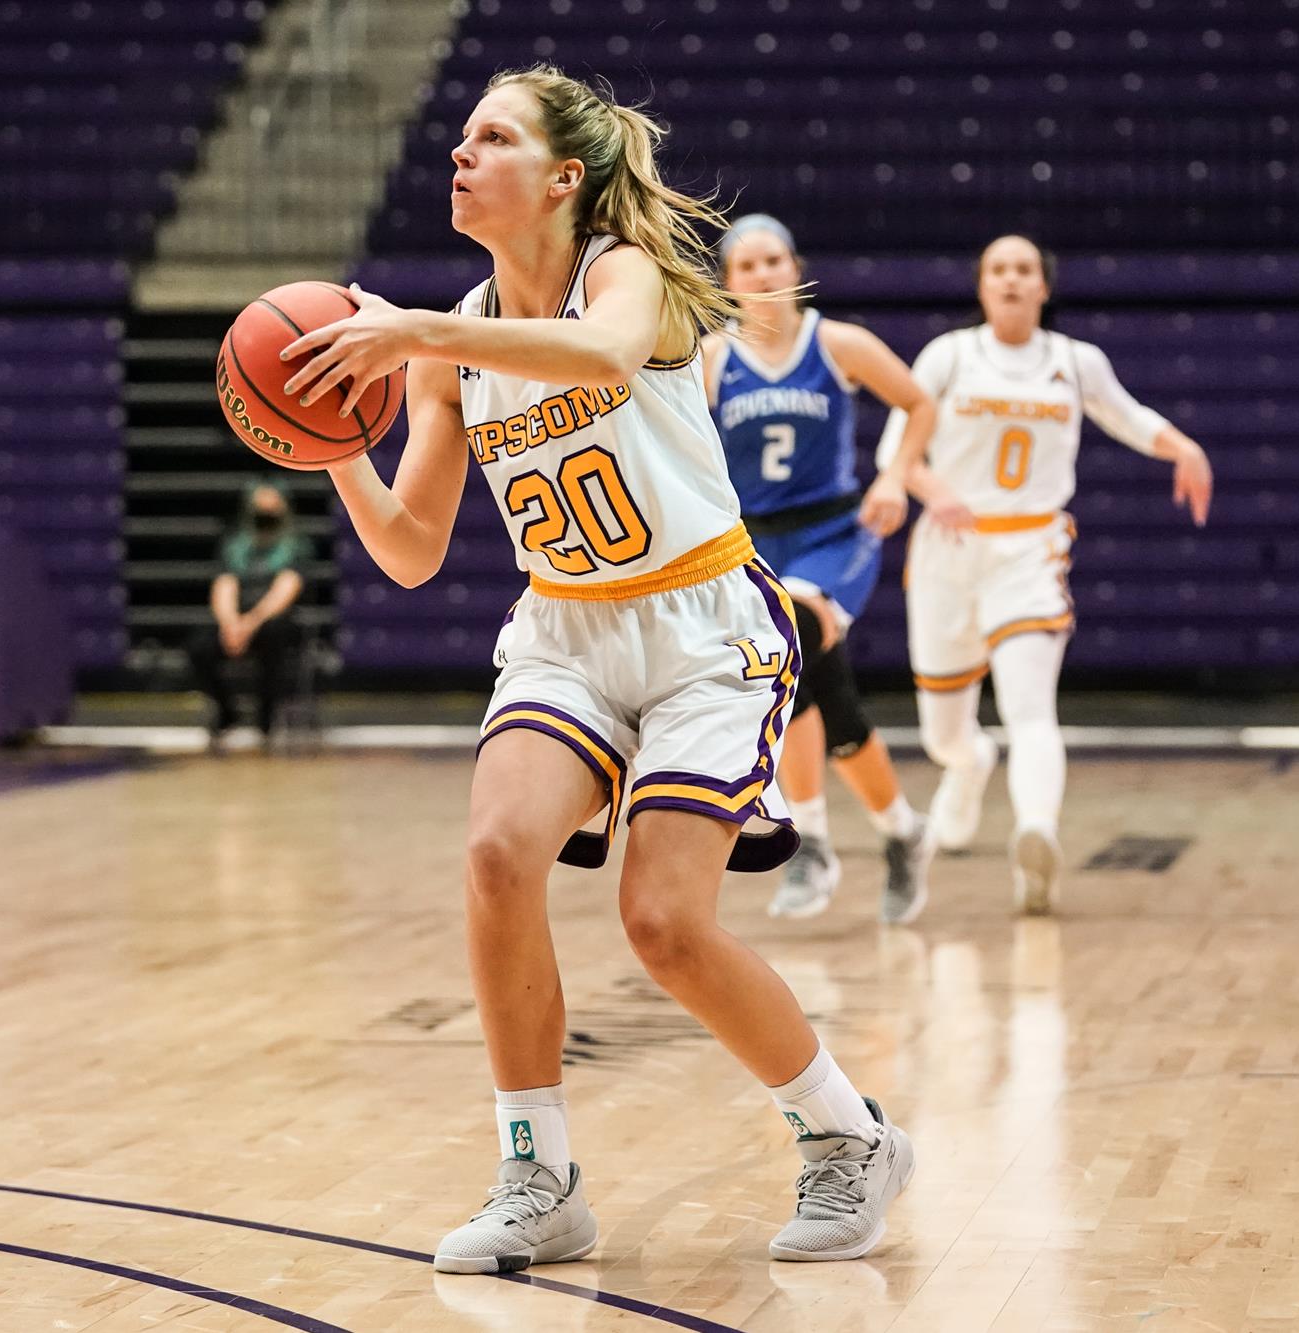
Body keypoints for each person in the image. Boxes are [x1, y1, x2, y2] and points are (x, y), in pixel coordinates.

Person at [277, 65, 913, 1271]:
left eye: (491, 136)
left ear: (563, 176)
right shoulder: (447, 346)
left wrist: (414, 327)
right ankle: (538, 1172)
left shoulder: (622, 275)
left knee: (663, 923)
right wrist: (332, 449)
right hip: (564, 633)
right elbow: (411, 552)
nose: (458, 153)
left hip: (701, 631)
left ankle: (846, 1134)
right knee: (492, 855)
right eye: (459, 137)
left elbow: (606, 356)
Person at [880, 235, 1214, 914]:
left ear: (1043, 286)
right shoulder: (949, 355)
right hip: (948, 547)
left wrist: (1185, 447)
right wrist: (929, 485)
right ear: (981, 285)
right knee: (944, 733)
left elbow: (1128, 416)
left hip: (1031, 548)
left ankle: (1036, 833)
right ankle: (970, 764)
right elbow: (897, 452)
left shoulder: (1074, 360)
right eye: (998, 269)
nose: (1010, 279)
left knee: (1031, 707)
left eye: (1024, 269)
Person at [704, 214, 954, 924]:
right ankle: (903, 830)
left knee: (796, 641)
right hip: (753, 545)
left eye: (774, 260)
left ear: (796, 267)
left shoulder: (837, 342)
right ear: (728, 283)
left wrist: (896, 476)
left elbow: (918, 402)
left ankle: (809, 838)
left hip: (834, 533)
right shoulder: (711, 360)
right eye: (747, 266)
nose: (763, 274)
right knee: (817, 691)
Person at [186, 482, 306, 746]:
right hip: (236, 618)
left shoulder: (294, 545)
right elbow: (224, 583)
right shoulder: (235, 545)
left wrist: (251, 623)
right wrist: (231, 624)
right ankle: (226, 712)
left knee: (275, 637)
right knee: (200, 646)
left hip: (271, 617)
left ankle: (267, 717)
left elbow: (286, 588)